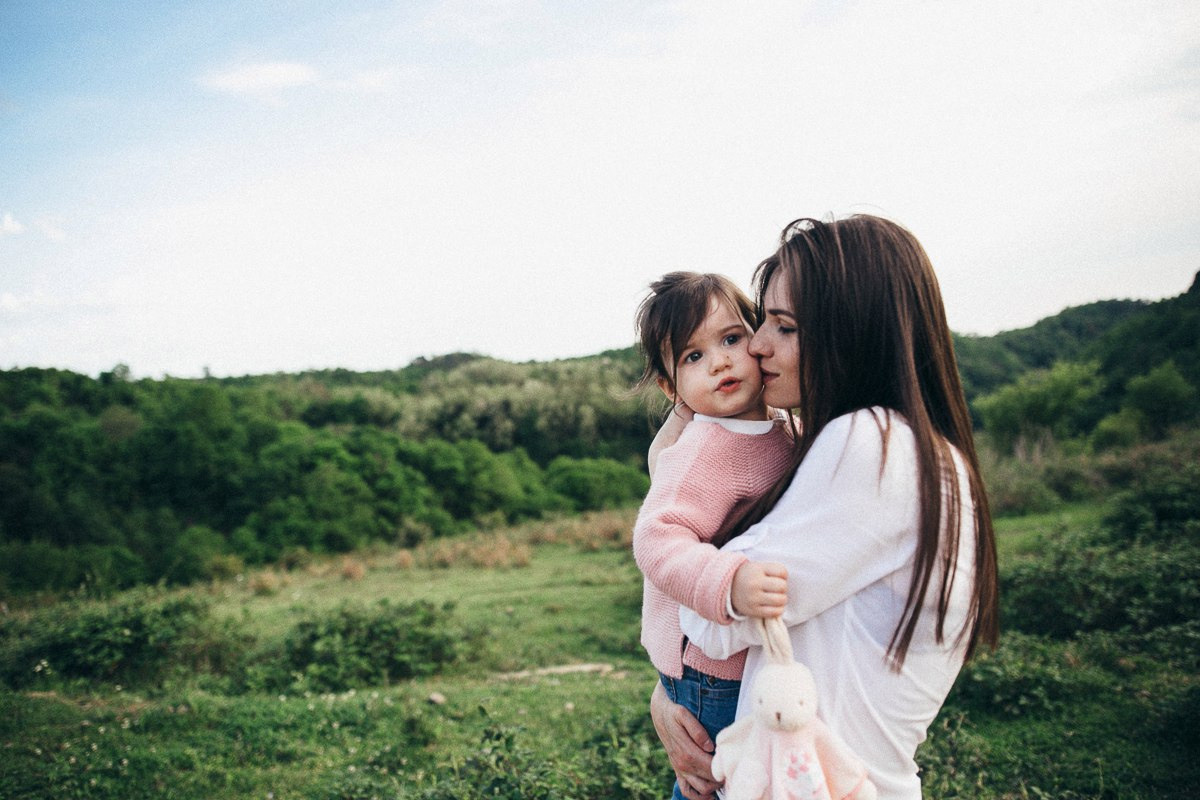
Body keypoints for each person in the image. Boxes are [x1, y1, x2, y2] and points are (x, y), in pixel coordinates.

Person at [648, 216, 999, 800]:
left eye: (782, 327)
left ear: (852, 332)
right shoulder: (923, 450)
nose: (757, 346)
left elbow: (710, 625)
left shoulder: (872, 445)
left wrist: (674, 684)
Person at [632, 272, 796, 800]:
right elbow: (657, 539)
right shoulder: (705, 451)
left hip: (734, 656)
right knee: (718, 781)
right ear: (671, 387)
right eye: (692, 357)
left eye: (730, 339)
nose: (720, 361)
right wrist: (729, 583)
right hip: (709, 669)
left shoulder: (780, 430)